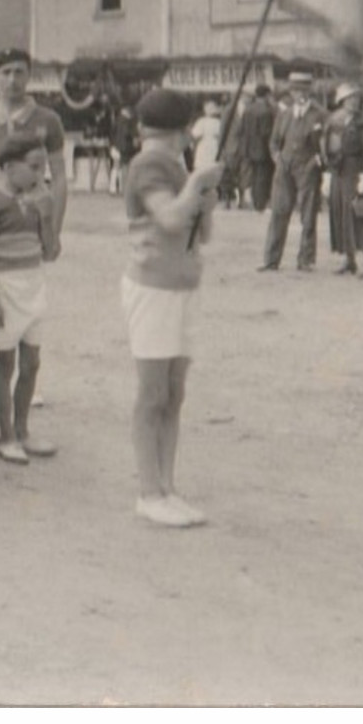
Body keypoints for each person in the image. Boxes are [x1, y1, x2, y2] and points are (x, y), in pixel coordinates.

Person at [122, 88, 223, 529]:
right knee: (153, 393)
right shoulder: (148, 165)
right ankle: (149, 491)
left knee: (174, 393)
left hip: (182, 285)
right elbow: (169, 219)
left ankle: (166, 486)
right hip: (154, 288)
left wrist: (206, 199)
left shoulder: (175, 166)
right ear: (184, 130)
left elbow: (200, 235)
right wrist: (198, 183)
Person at [0, 135, 62, 464]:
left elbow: (51, 252)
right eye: (34, 167)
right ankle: (6, 435)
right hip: (4, 287)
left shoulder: (38, 201)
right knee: (6, 363)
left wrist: (47, 215)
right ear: (9, 167)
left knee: (32, 363)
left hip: (34, 285)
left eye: (43, 167)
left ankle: (23, 429)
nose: (40, 175)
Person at [0, 48, 69, 236]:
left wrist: (54, 229)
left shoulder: (48, 119)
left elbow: (59, 177)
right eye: (6, 72)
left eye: (19, 72)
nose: (12, 80)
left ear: (29, 76)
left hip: (31, 210)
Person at [260, 72, 327, 272]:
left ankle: (305, 260)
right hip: (284, 167)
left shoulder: (320, 114)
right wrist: (277, 157)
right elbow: (273, 141)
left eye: (304, 89)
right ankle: (271, 260)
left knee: (307, 214)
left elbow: (326, 144)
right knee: (279, 212)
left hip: (307, 167)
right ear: (291, 92)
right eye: (296, 89)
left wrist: (317, 161)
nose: (300, 94)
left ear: (310, 90)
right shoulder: (285, 113)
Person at [323, 83, 363, 278]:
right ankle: (347, 260)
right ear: (341, 101)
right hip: (338, 172)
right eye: (349, 99)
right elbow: (326, 145)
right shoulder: (334, 120)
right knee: (340, 214)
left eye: (356, 99)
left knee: (360, 215)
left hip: (356, 171)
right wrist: (328, 170)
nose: (353, 102)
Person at [239, 85, 277, 212]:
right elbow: (267, 132)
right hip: (263, 148)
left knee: (254, 175)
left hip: (249, 147)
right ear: (267, 95)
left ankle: (255, 201)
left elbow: (242, 129)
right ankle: (261, 203)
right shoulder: (267, 111)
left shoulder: (247, 110)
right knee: (263, 176)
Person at [189, 99, 223, 169]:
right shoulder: (219, 122)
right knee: (212, 162)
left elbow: (195, 134)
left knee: (203, 163)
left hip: (205, 144)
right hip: (214, 144)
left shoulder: (202, 121)